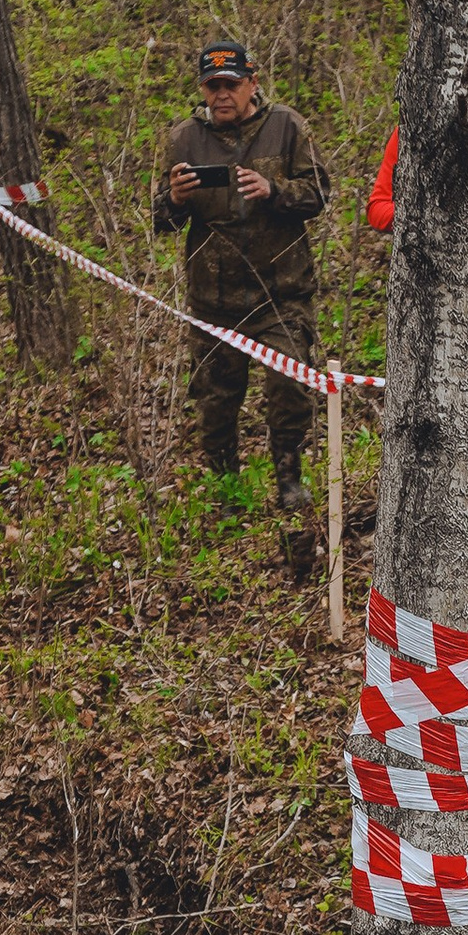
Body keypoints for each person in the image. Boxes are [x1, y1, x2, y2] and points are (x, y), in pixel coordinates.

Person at [153, 40, 330, 574]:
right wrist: (177, 200)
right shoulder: (185, 138)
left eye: (231, 84)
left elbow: (319, 192)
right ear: (202, 90)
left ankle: (289, 478)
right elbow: (160, 218)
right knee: (215, 401)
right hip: (214, 299)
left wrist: (274, 190)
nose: (222, 94)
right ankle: (226, 487)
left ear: (252, 83)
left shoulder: (287, 127)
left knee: (289, 387)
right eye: (213, 86)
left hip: (281, 292)